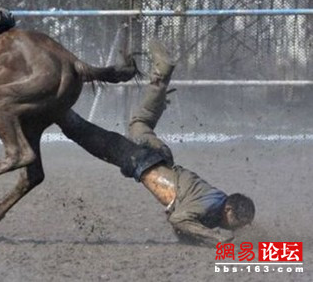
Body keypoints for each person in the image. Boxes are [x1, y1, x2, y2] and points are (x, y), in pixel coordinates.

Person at [56, 41, 255, 247]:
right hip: (146, 162)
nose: (237, 228)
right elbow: (179, 219)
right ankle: (61, 114)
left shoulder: (216, 203)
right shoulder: (209, 206)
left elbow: (182, 225)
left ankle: (160, 83)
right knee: (96, 138)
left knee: (140, 123)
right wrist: (219, 240)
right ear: (229, 210)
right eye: (238, 223)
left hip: (162, 160)